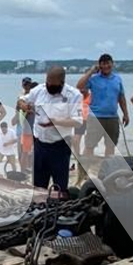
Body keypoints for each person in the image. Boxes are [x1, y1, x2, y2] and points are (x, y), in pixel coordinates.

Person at [18, 66, 83, 195]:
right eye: (47, 83)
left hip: (60, 146)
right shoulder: (39, 90)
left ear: (62, 82)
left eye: (52, 85)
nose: (49, 87)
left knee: (60, 187)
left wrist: (56, 122)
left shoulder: (74, 95)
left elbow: (78, 121)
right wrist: (23, 105)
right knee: (38, 187)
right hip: (40, 145)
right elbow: (22, 99)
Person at [75, 53, 130, 184]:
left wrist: (126, 113)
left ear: (112, 64)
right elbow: (79, 86)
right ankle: (83, 174)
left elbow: (121, 97)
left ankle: (107, 173)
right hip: (95, 117)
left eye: (108, 63)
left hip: (112, 117)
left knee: (110, 146)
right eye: (103, 63)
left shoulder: (117, 79)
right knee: (89, 146)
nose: (106, 66)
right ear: (99, 65)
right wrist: (91, 71)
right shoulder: (94, 79)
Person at [13, 77, 38, 174]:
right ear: (23, 85)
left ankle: (29, 169)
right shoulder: (22, 98)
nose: (27, 86)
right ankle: (23, 171)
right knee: (24, 151)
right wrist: (27, 110)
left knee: (30, 152)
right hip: (25, 128)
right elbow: (19, 112)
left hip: (34, 129)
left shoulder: (33, 98)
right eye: (25, 84)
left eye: (29, 85)